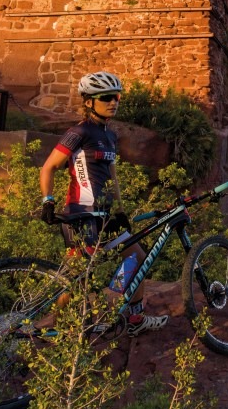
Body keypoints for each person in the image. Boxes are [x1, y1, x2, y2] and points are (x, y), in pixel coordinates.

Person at [40, 71, 168, 337]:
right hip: (81, 215)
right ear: (89, 102)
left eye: (117, 97)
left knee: (137, 256)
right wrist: (48, 202)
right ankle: (56, 328)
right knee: (77, 279)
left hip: (105, 215)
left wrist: (120, 211)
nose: (114, 102)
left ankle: (133, 317)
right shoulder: (79, 132)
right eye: (107, 97)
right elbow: (49, 167)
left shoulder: (109, 136)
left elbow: (112, 176)